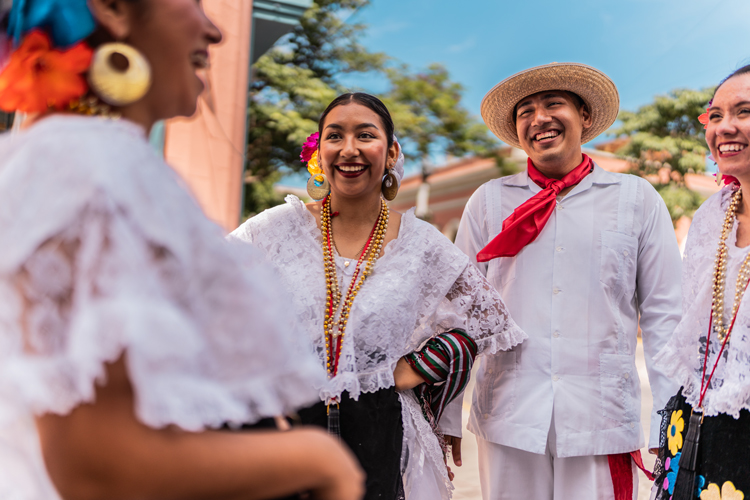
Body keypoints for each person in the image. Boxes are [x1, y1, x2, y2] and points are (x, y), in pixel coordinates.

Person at [0, 1, 365, 499]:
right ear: (113, 9)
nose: (213, 30)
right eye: (192, 2)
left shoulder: (62, 156)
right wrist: (322, 462)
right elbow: (97, 464)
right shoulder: (96, 165)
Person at [229, 92, 526, 500]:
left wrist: (410, 369)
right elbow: (202, 292)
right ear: (321, 152)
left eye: (365, 135)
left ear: (390, 153)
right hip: (284, 431)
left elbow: (488, 320)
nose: (349, 149)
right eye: (335, 136)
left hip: (385, 436)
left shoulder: (421, 244)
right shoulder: (276, 230)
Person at [453, 63, 682, 500]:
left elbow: (664, 314)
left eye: (553, 104)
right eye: (526, 111)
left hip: (599, 418)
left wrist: (669, 420)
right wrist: (445, 417)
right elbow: (458, 314)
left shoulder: (636, 199)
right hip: (508, 415)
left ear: (585, 117)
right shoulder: (488, 201)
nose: (539, 119)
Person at [651, 65, 750, 500]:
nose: (724, 127)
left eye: (744, 112)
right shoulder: (713, 215)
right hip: (698, 426)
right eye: (715, 115)